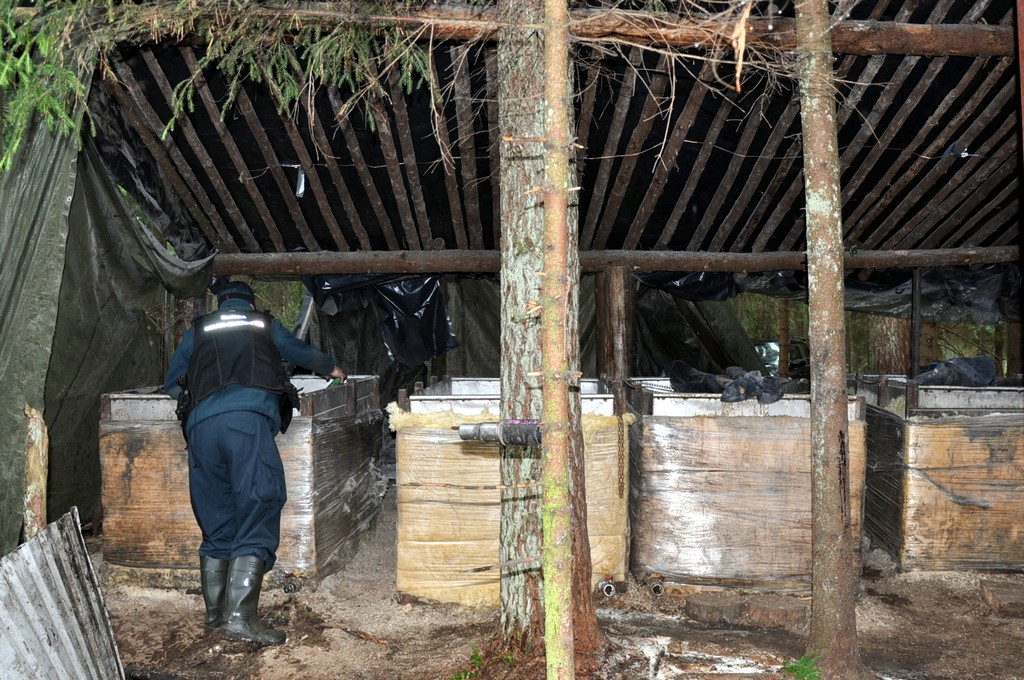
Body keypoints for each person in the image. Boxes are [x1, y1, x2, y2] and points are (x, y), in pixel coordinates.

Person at [164, 279, 345, 645]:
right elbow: (300, 352)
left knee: (217, 522)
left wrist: (206, 401)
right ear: (249, 302)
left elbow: (171, 386)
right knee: (259, 504)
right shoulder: (263, 323)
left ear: (221, 302)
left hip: (199, 430)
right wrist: (330, 368)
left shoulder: (199, 330)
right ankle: (240, 619)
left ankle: (216, 617)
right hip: (245, 424)